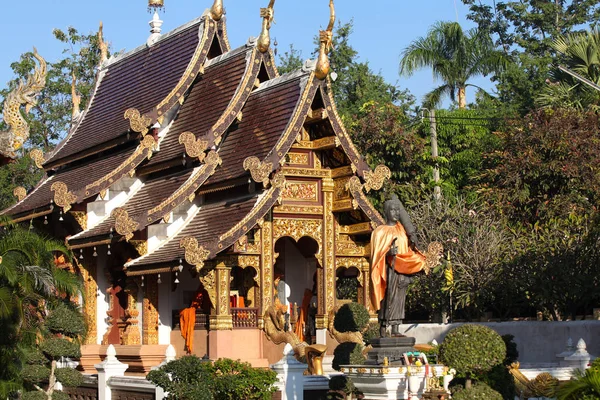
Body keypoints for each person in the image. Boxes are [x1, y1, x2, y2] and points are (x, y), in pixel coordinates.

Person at [371, 194, 426, 337]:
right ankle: (383, 327)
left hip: (401, 270)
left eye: (397, 210)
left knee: (399, 299)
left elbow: (407, 250)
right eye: (392, 210)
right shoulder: (380, 231)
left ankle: (395, 328)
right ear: (386, 212)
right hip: (387, 271)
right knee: (388, 298)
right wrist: (388, 252)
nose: (395, 213)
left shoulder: (402, 230)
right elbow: (376, 255)